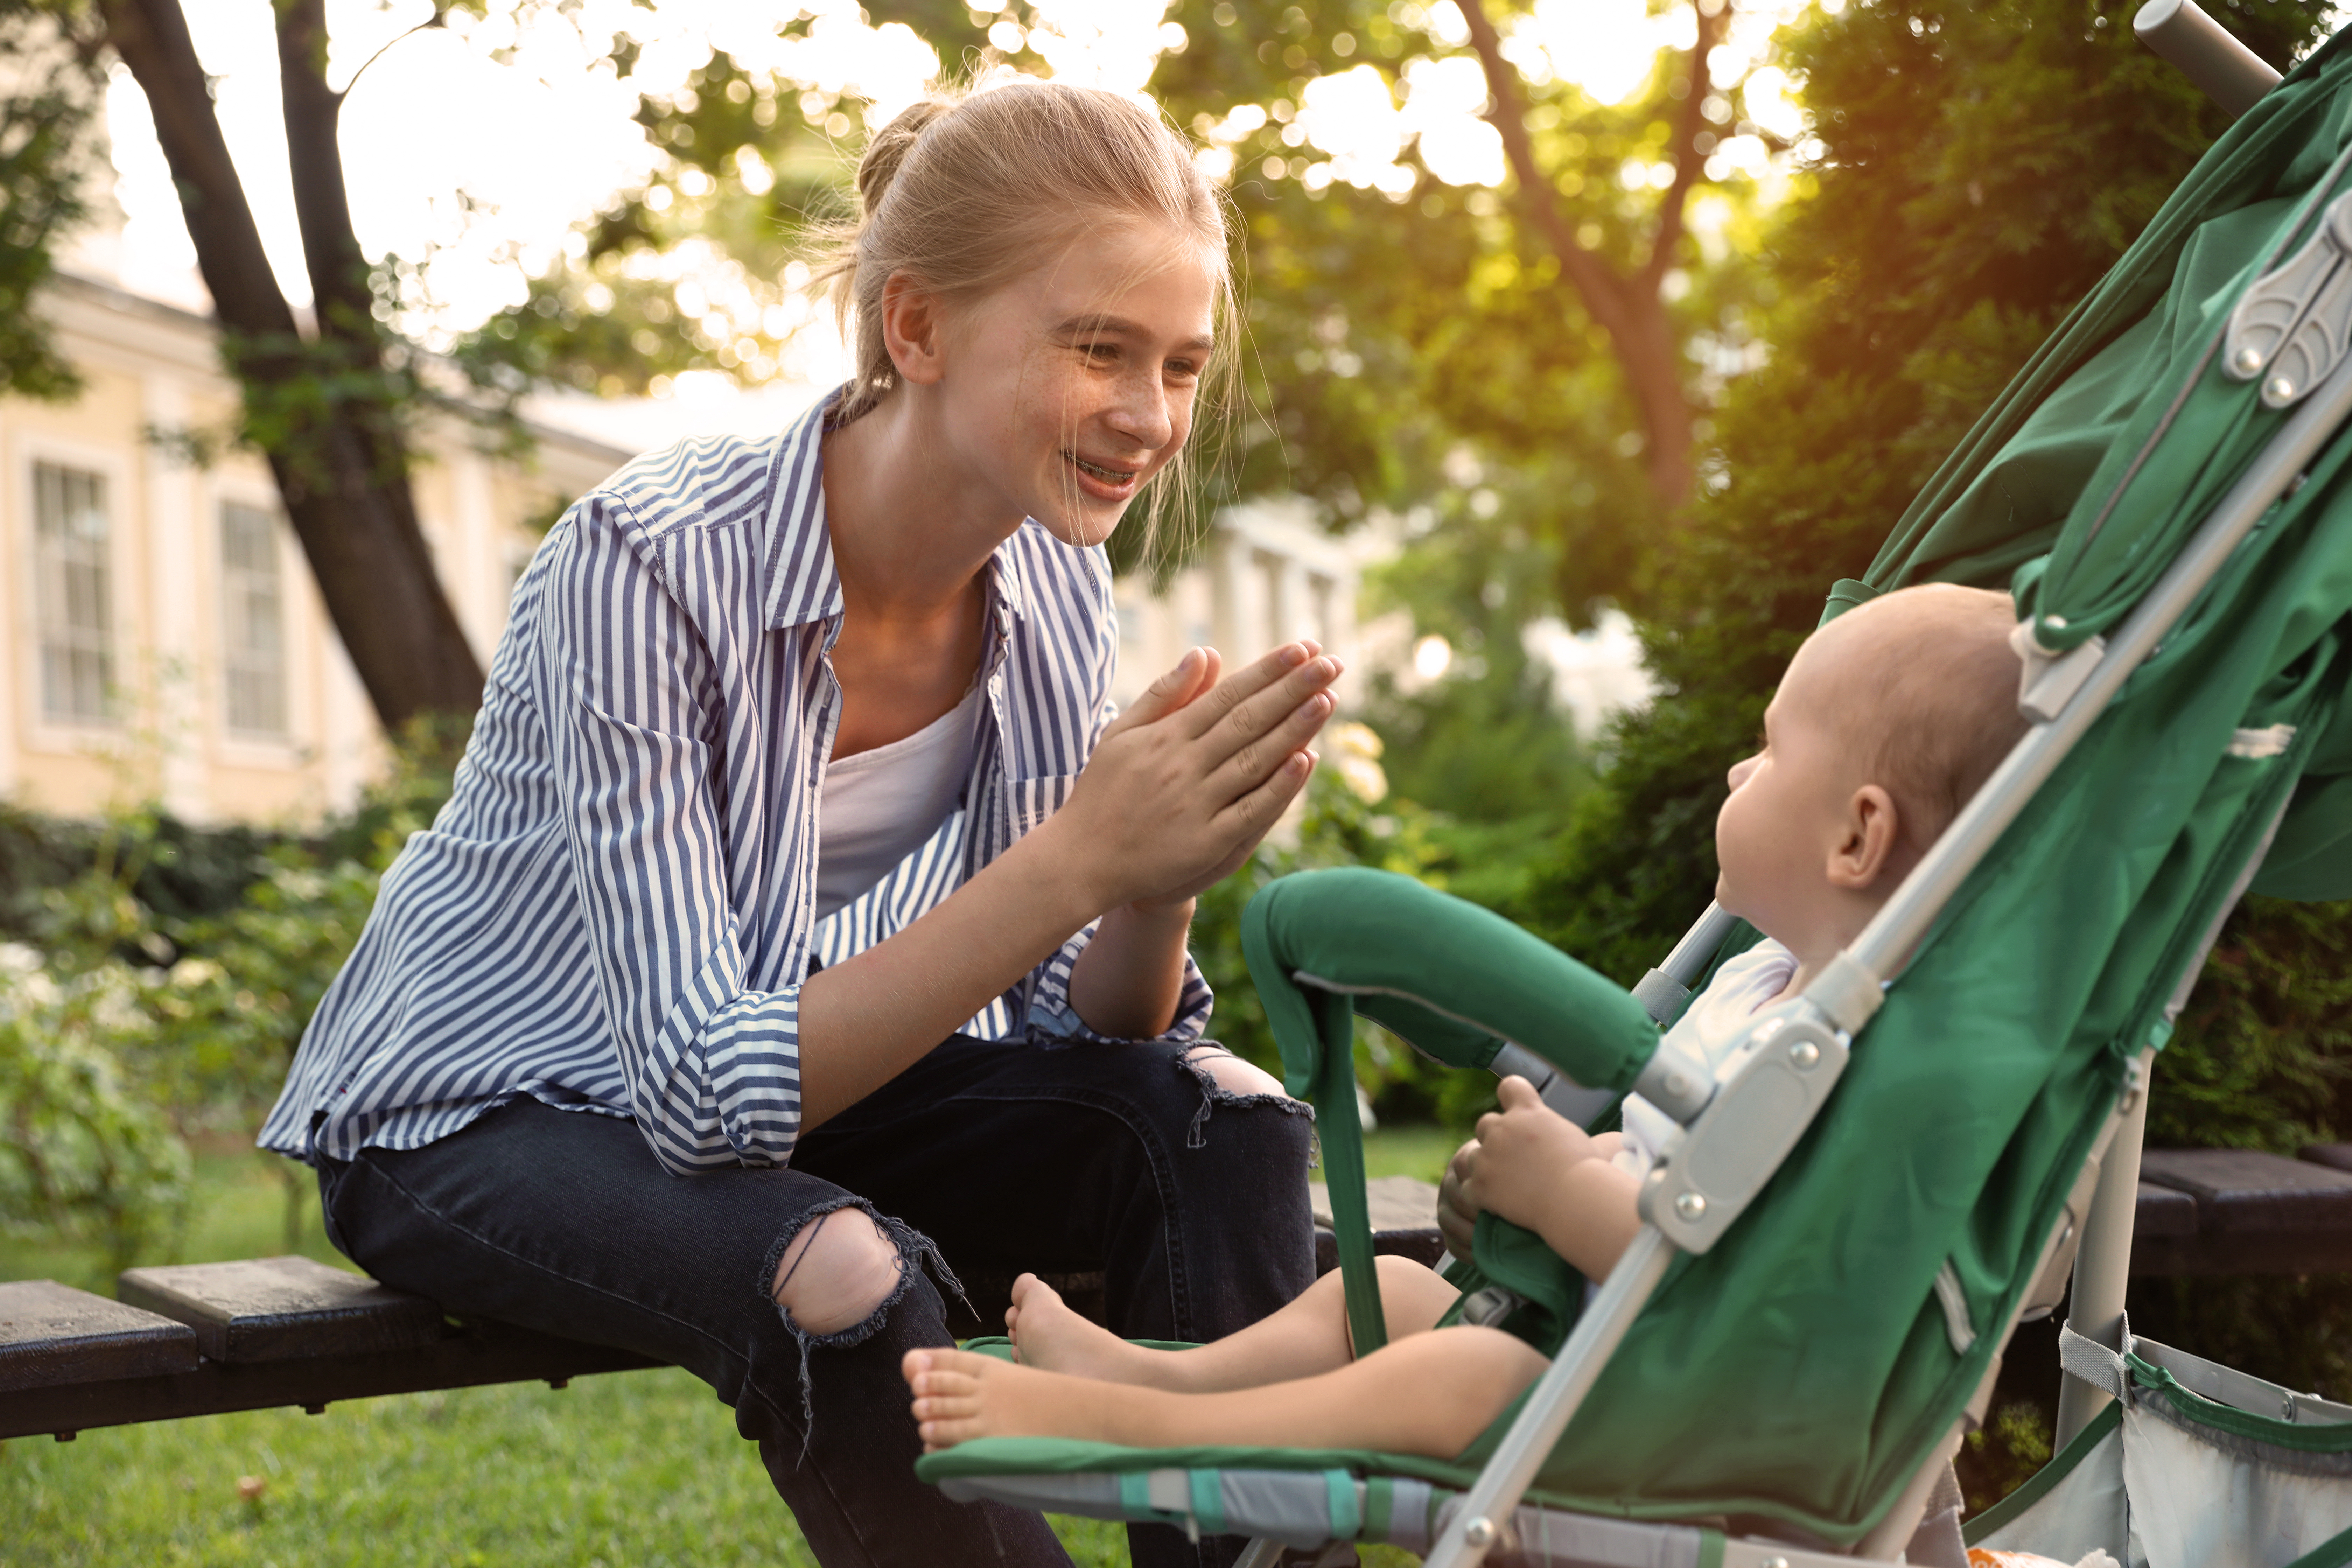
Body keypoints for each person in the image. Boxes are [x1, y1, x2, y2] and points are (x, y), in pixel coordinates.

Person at [259, 79, 1332, 1568]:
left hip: (751, 1080)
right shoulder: (644, 564)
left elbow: (1083, 1028)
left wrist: (1156, 879)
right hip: (473, 1113)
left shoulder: (1051, 581)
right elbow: (699, 1089)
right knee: (837, 1269)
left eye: (1181, 364)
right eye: (1100, 349)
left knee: (1220, 1121)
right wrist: (1078, 853)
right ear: (918, 330)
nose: (1150, 416)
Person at [901, 583, 2030, 1463]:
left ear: (1858, 838)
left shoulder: (1862, 1061)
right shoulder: (1757, 988)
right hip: (1597, 1352)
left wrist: (1566, 1193)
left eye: (1773, 750)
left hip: (1691, 1424)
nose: (1741, 766)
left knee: (1463, 1381)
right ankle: (1151, 1380)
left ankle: (1136, 1429)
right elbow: (1670, 1163)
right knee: (1386, 1294)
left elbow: (1759, 1281)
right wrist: (1538, 1186)